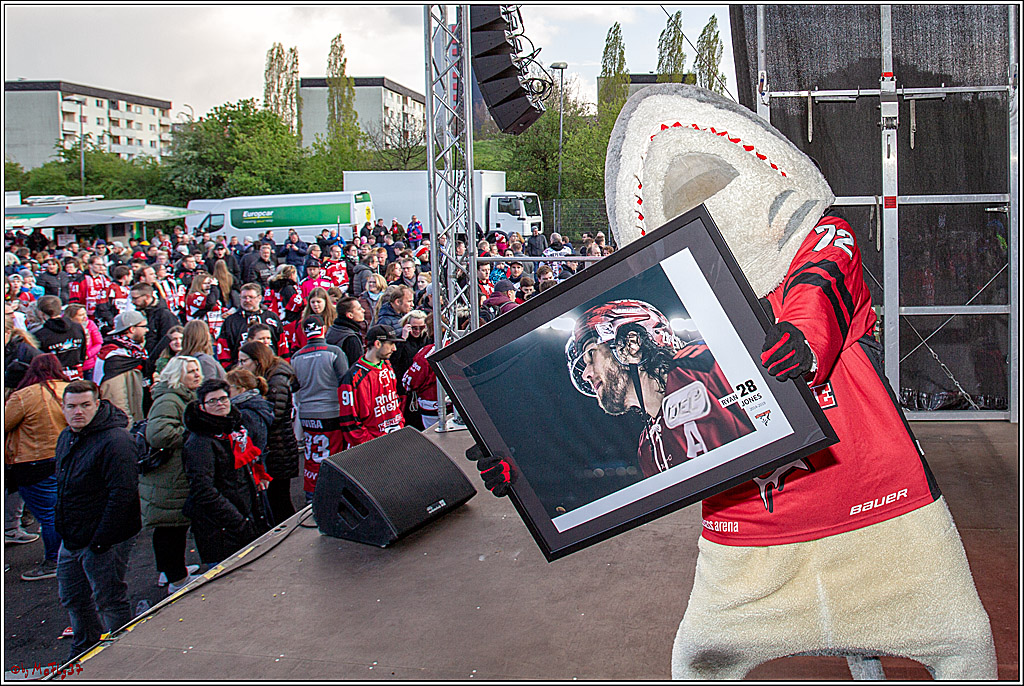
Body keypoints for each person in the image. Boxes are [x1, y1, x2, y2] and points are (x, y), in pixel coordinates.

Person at [566, 301, 755, 474]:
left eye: (591, 355)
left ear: (632, 344)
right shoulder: (647, 449)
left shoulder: (701, 364)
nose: (586, 373)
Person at [54, 379, 141, 658]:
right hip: (72, 537)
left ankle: (122, 656)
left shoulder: (116, 441)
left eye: (84, 406)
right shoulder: (67, 436)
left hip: (103, 539)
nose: (77, 412)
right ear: (63, 408)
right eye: (71, 407)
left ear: (98, 404)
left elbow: (123, 494)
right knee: (74, 597)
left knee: (109, 600)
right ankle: (84, 648)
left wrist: (101, 540)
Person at [181, 379, 269, 566]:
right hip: (222, 529)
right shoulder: (200, 442)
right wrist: (239, 522)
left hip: (243, 516)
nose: (220, 404)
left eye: (223, 398)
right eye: (213, 401)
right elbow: (203, 490)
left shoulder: (233, 429)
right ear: (202, 406)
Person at [143, 356, 204, 595]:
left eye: (197, 370)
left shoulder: (183, 396)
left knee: (173, 526)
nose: (197, 375)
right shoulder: (169, 399)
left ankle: (171, 571)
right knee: (170, 526)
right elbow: (157, 434)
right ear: (177, 375)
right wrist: (193, 433)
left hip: (174, 474)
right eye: (190, 371)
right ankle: (176, 579)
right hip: (169, 475)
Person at [5, 354, 69, 581]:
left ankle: (55, 560)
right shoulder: (69, 389)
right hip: (65, 457)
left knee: (48, 515)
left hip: (33, 463)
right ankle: (68, 555)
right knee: (62, 509)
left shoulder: (24, 396)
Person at [237, 341, 299, 523]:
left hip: (279, 450)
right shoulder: (271, 376)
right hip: (277, 448)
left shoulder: (276, 379)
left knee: (279, 500)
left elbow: (274, 415)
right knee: (275, 500)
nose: (241, 365)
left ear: (257, 361)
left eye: (244, 361)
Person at [291, 315, 349, 502]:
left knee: (312, 457)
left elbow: (295, 387)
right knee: (334, 457)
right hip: (332, 411)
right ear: (323, 328)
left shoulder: (296, 357)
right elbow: (345, 383)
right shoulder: (334, 352)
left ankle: (312, 496)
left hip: (307, 413)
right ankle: (335, 498)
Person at [338, 324, 405, 447]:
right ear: (378, 344)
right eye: (391, 344)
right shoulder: (353, 378)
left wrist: (400, 425)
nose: (394, 348)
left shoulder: (387, 366)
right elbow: (350, 423)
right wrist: (371, 446)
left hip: (394, 439)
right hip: (372, 448)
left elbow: (395, 402)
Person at [94, 311, 149, 427]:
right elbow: (118, 403)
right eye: (143, 326)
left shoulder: (134, 351)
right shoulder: (114, 357)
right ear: (132, 329)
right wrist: (130, 432)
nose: (147, 330)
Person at [217, 283, 282, 367]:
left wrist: (281, 365)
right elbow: (223, 348)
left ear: (259, 298)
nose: (247, 300)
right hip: (242, 371)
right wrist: (231, 369)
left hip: (271, 367)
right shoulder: (231, 321)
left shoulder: (271, 317)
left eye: (251, 297)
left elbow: (282, 344)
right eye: (244, 297)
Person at [31, 295, 87, 381]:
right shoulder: (77, 327)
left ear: (41, 313)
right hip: (75, 374)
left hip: (54, 378)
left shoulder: (39, 335)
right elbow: (83, 353)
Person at [225, 369, 274, 454]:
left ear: (241, 389)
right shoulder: (257, 405)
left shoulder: (246, 414)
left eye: (228, 387)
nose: (224, 391)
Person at [286, 286, 336, 354]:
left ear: (325, 302)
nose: (315, 305)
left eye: (318, 302)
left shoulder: (334, 320)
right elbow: (296, 346)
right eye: (313, 302)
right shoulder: (302, 323)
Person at [65, 304, 102, 381]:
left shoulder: (90, 324)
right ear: (71, 317)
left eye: (85, 314)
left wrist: (87, 354)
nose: (85, 317)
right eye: (81, 315)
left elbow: (98, 343)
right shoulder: (65, 328)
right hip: (71, 368)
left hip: (88, 366)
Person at [326, 296, 366, 366]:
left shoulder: (332, 329)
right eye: (359, 309)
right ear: (350, 315)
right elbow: (356, 368)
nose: (363, 310)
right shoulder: (351, 338)